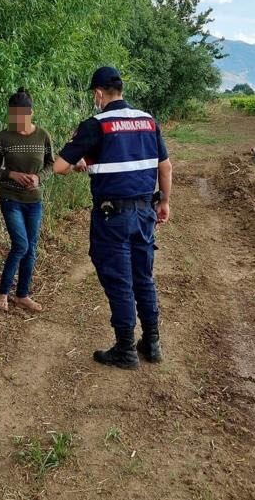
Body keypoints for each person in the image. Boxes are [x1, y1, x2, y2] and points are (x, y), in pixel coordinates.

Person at [53, 66, 172, 370]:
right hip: (145, 211)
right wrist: (165, 202)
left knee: (120, 282)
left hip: (112, 217)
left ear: (98, 93)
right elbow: (166, 167)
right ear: (120, 89)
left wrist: (80, 160)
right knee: (143, 278)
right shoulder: (148, 121)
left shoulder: (96, 124)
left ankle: (125, 350)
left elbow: (59, 167)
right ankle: (153, 343)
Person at [0, 87, 54, 313]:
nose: (16, 120)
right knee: (21, 244)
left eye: (20, 115)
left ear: (30, 113)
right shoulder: (3, 137)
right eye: (12, 115)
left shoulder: (42, 135)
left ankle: (23, 295)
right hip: (10, 198)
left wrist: (38, 177)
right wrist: (11, 174)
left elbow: (51, 164)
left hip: (34, 200)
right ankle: (2, 294)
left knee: (31, 247)